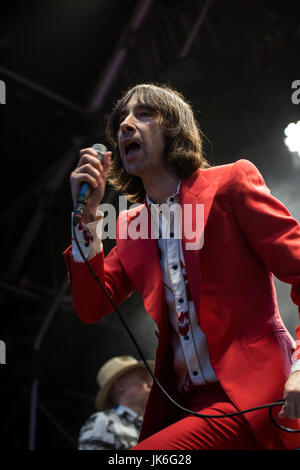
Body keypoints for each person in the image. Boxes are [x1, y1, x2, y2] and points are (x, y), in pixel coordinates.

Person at [64, 83, 300, 450]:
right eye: (121, 119)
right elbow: (92, 306)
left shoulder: (230, 183)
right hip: (189, 408)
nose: (126, 124)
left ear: (173, 128)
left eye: (143, 114)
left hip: (256, 396)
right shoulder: (130, 226)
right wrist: (88, 218)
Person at [78, 356, 154, 450]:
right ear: (120, 385)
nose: (151, 383)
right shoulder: (103, 422)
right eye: (143, 378)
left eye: (150, 378)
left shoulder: (152, 427)